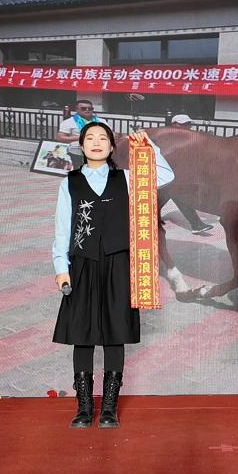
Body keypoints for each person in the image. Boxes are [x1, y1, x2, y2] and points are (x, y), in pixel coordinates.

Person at [52, 123, 174, 429]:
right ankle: (83, 409)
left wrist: (149, 147)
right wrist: (61, 268)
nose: (96, 143)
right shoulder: (70, 182)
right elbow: (62, 228)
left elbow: (165, 176)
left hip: (120, 263)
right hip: (83, 263)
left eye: (103, 138)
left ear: (112, 146)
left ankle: (109, 408)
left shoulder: (129, 179)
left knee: (115, 334)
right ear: (81, 146)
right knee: (82, 335)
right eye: (90, 138)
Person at [160, 114, 214, 235]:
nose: (188, 127)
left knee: (165, 196)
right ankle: (196, 225)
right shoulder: (167, 136)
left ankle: (196, 224)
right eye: (184, 124)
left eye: (189, 124)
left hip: (175, 174)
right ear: (175, 124)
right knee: (179, 196)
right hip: (166, 173)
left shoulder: (187, 137)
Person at [56, 99, 100, 167]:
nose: (87, 110)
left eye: (90, 108)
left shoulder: (101, 121)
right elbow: (60, 137)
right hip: (77, 154)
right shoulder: (69, 122)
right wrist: (79, 138)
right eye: (83, 108)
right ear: (77, 109)